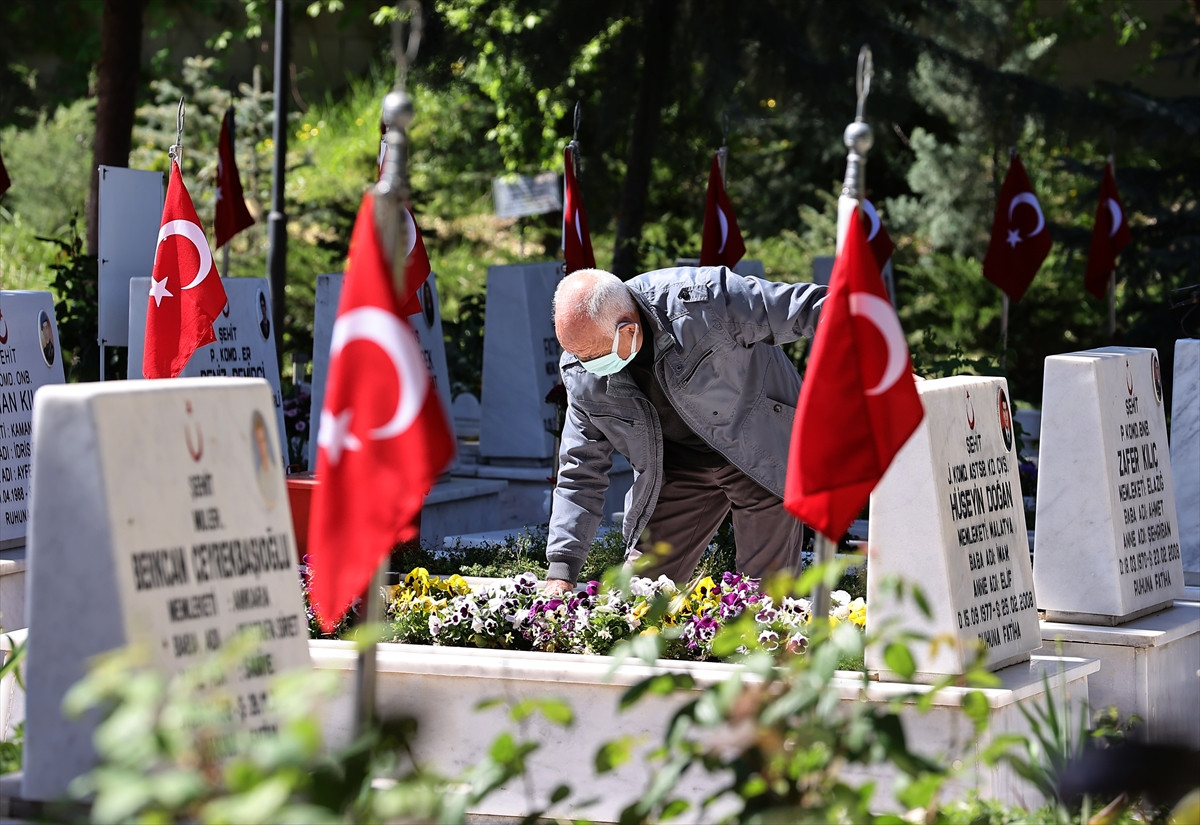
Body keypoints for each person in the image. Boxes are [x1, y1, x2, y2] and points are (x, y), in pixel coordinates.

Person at [544, 266, 826, 595]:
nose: (586, 365)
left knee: (763, 606)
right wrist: (561, 571)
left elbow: (807, 307)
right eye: (576, 354)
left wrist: (878, 344)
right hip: (675, 471)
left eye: (593, 355)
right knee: (634, 605)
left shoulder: (705, 301)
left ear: (628, 328)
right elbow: (580, 470)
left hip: (758, 451)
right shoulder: (581, 371)